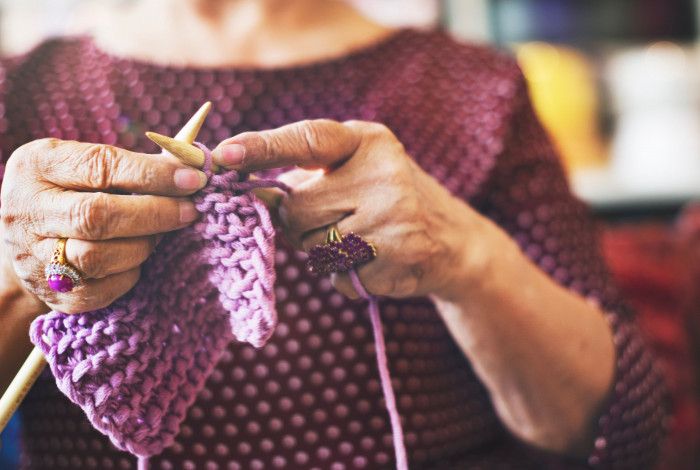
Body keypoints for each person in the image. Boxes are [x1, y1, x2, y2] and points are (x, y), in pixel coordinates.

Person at [0, 0, 667, 468]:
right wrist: (33, 278)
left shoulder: (471, 90)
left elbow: (621, 431)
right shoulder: (23, 94)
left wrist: (465, 256)